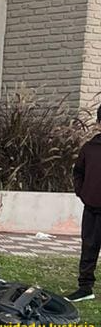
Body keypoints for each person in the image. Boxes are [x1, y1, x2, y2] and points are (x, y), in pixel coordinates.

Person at [70, 104, 101, 302]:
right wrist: (82, 192)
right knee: (89, 247)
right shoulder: (89, 148)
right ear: (99, 122)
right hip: (92, 207)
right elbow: (78, 172)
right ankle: (85, 287)